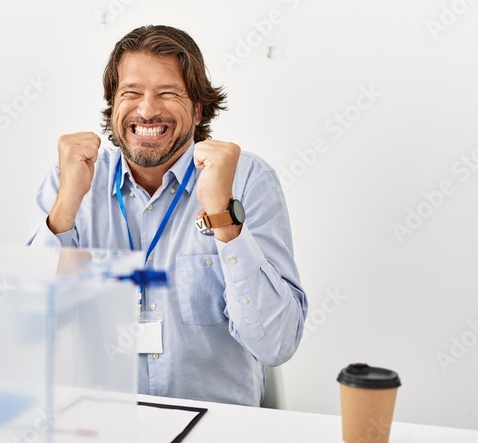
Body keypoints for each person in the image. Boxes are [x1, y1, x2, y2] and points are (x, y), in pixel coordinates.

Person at [27, 25, 306, 407]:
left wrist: (222, 215)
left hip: (216, 430)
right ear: (113, 105)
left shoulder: (248, 180)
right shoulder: (70, 180)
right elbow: (30, 331)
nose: (146, 109)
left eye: (167, 93)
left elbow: (277, 344)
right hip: (101, 425)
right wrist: (67, 205)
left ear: (198, 108)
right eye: (131, 92)